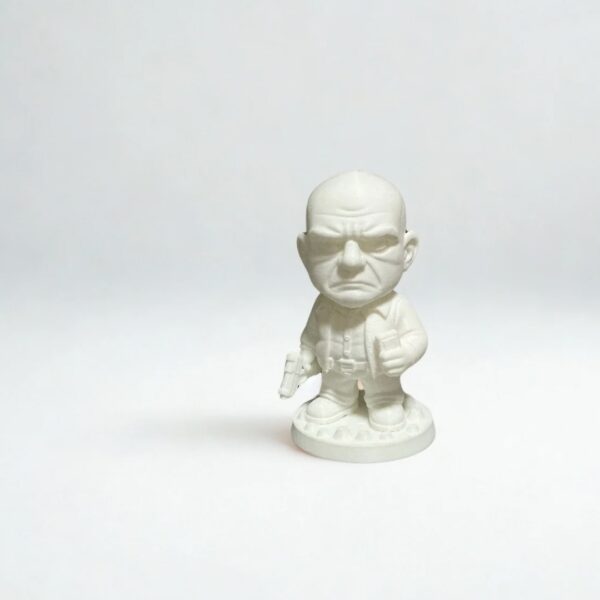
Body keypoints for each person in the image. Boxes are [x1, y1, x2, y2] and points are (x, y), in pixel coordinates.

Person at [283, 170, 427, 432]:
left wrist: (404, 354)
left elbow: (416, 337)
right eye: (328, 245)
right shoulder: (323, 307)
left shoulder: (394, 307)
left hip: (379, 375)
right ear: (306, 253)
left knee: (383, 395)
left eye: (377, 244)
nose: (351, 262)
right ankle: (337, 399)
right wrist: (305, 360)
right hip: (335, 373)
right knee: (333, 392)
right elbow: (310, 338)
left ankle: (384, 400)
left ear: (406, 252)